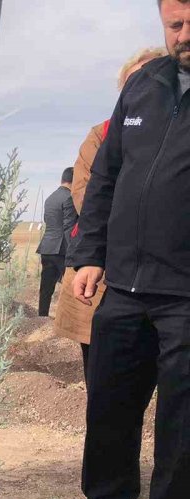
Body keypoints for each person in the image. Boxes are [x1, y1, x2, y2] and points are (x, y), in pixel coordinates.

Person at [44, 0, 190, 499]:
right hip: (124, 284)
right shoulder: (143, 87)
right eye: (175, 24)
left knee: (181, 418)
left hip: (185, 294)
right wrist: (88, 255)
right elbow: (104, 177)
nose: (185, 34)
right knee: (109, 402)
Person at [54, 47, 167, 371]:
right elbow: (86, 194)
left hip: (167, 280)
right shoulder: (100, 135)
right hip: (102, 272)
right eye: (134, 83)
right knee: (105, 382)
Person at [35, 168, 77, 317]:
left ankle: (42, 315)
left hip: (47, 247)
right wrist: (74, 250)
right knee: (71, 286)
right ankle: (68, 318)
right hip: (62, 249)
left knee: (46, 285)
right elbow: (69, 227)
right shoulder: (69, 197)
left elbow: (49, 222)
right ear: (75, 180)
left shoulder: (50, 198)